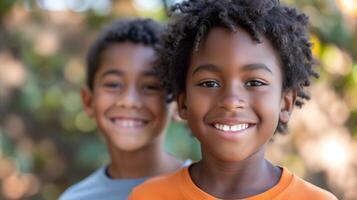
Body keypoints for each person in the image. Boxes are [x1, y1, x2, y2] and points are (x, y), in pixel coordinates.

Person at [128, 0, 338, 199]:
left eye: (254, 83)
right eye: (209, 83)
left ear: (285, 102)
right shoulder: (148, 196)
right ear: (183, 102)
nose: (230, 101)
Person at [59, 18, 189, 200]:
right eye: (113, 84)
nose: (129, 101)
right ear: (89, 102)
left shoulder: (210, 190)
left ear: (178, 103)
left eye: (150, 86)